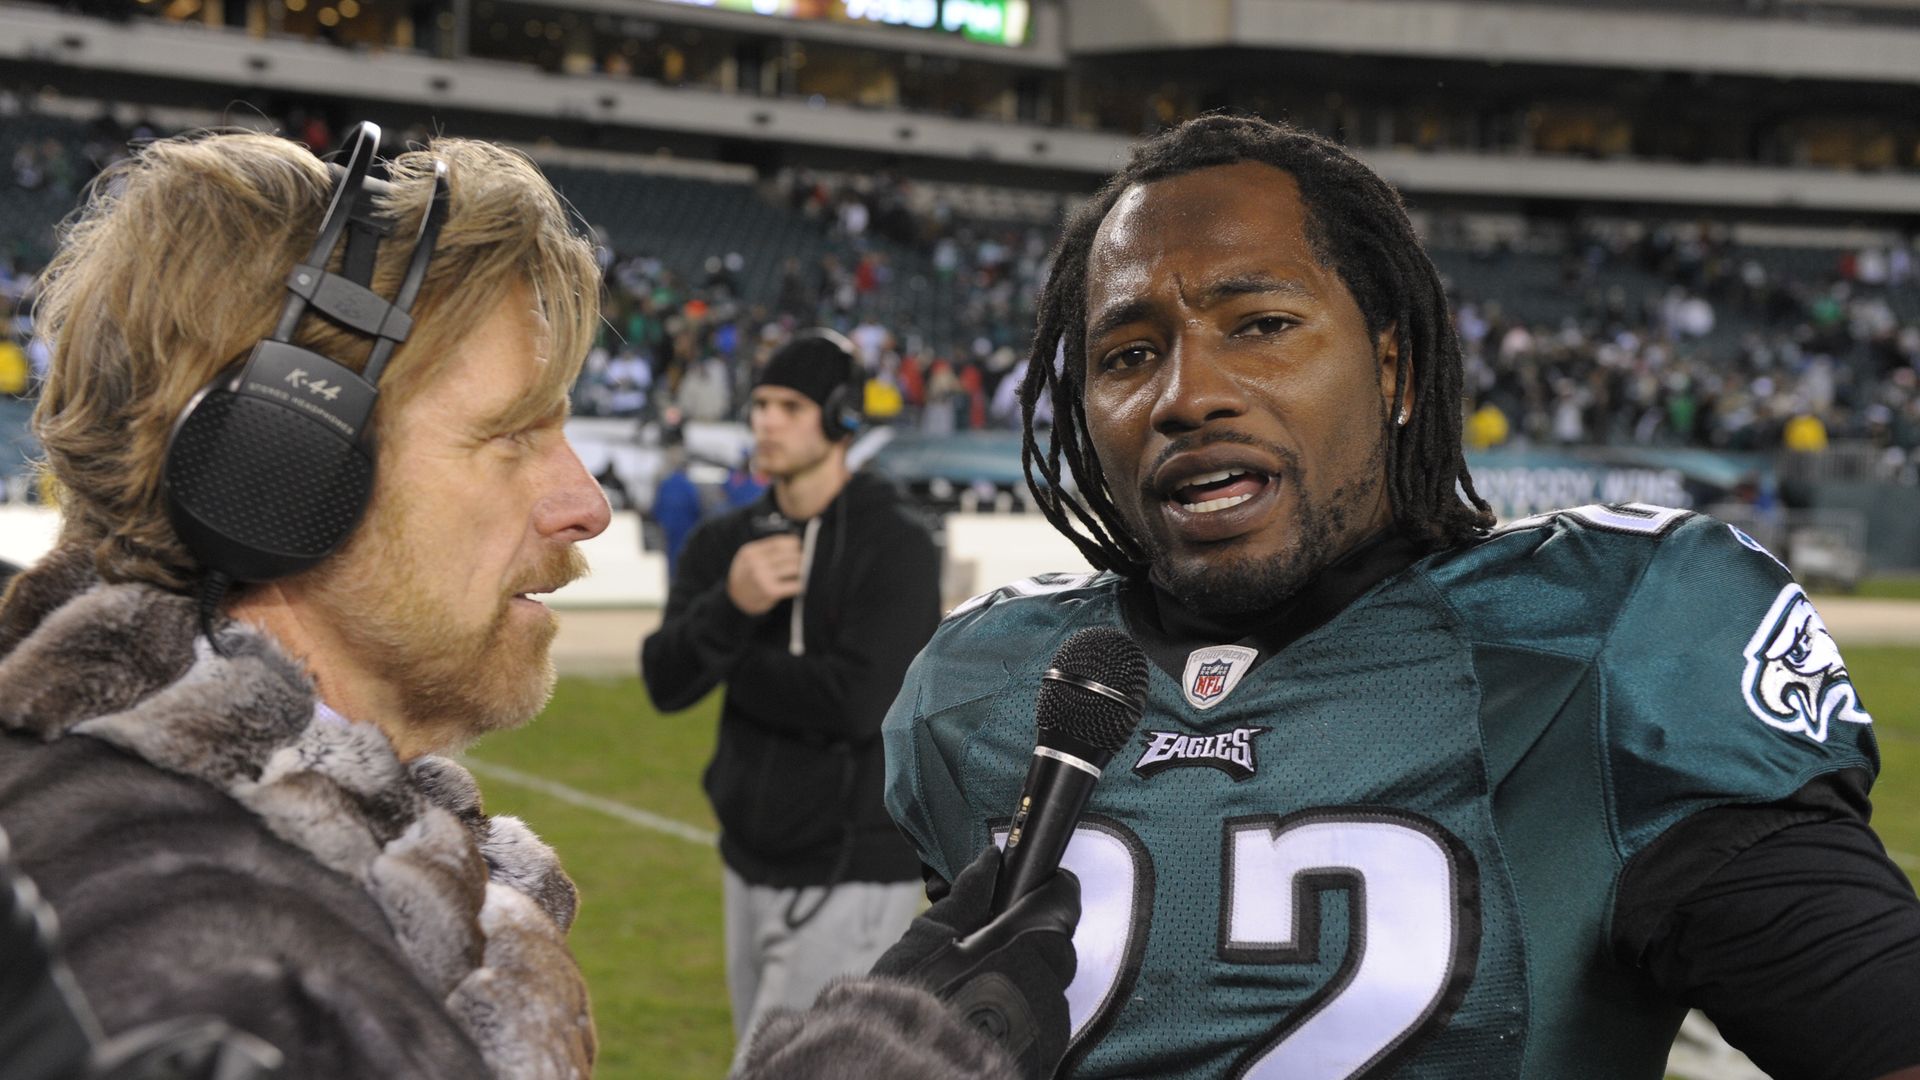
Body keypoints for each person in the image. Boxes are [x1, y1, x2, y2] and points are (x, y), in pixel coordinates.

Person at [0, 127, 1077, 1080]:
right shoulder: (184, 962)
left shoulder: (195, 872)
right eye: (515, 433)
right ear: (274, 468)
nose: (587, 505)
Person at [883, 114, 1920, 1080]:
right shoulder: (986, 693)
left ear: (1397, 367)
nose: (1185, 394)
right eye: (1128, 355)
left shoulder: (1589, 652)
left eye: (1261, 323)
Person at [641, 329, 944, 1064]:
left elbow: (858, 704)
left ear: (840, 418)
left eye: (790, 406)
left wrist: (734, 656)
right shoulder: (726, 545)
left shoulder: (896, 542)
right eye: (762, 404)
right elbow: (665, 680)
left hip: (852, 868)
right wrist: (732, 607)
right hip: (748, 857)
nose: (766, 422)